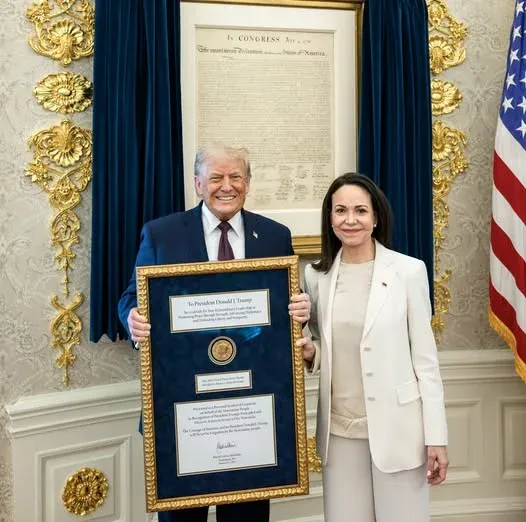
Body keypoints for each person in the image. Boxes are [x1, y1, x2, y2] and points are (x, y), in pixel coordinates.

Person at [118, 144, 310, 522]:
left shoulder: (274, 236)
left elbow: (283, 309)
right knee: (182, 517)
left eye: (236, 176)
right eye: (216, 177)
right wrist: (132, 318)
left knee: (247, 515)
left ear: (248, 182)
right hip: (182, 406)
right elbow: (131, 298)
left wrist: (300, 312)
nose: (227, 186)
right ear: (197, 184)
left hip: (251, 406)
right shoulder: (161, 234)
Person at [299, 173, 448, 522]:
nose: (350, 220)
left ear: (376, 217)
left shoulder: (408, 272)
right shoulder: (315, 276)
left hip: (400, 430)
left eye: (360, 211)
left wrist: (436, 437)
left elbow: (426, 363)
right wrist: (311, 353)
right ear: (330, 218)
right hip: (339, 433)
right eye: (340, 211)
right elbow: (324, 343)